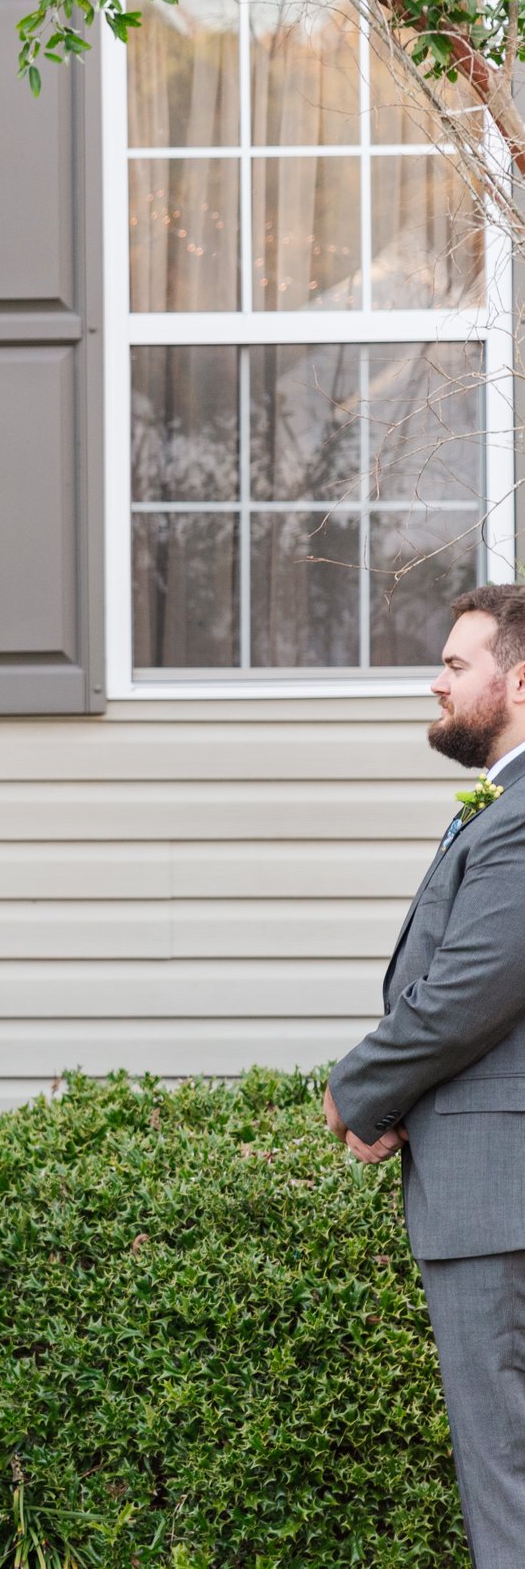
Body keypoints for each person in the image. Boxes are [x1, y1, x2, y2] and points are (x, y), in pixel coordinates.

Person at [330, 584, 525, 1565]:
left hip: (499, 1198)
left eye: (455, 664)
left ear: (519, 680)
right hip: (487, 1186)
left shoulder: (524, 817)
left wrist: (357, 1091)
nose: (436, 681)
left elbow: (465, 991)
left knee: (504, 1477)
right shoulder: (500, 807)